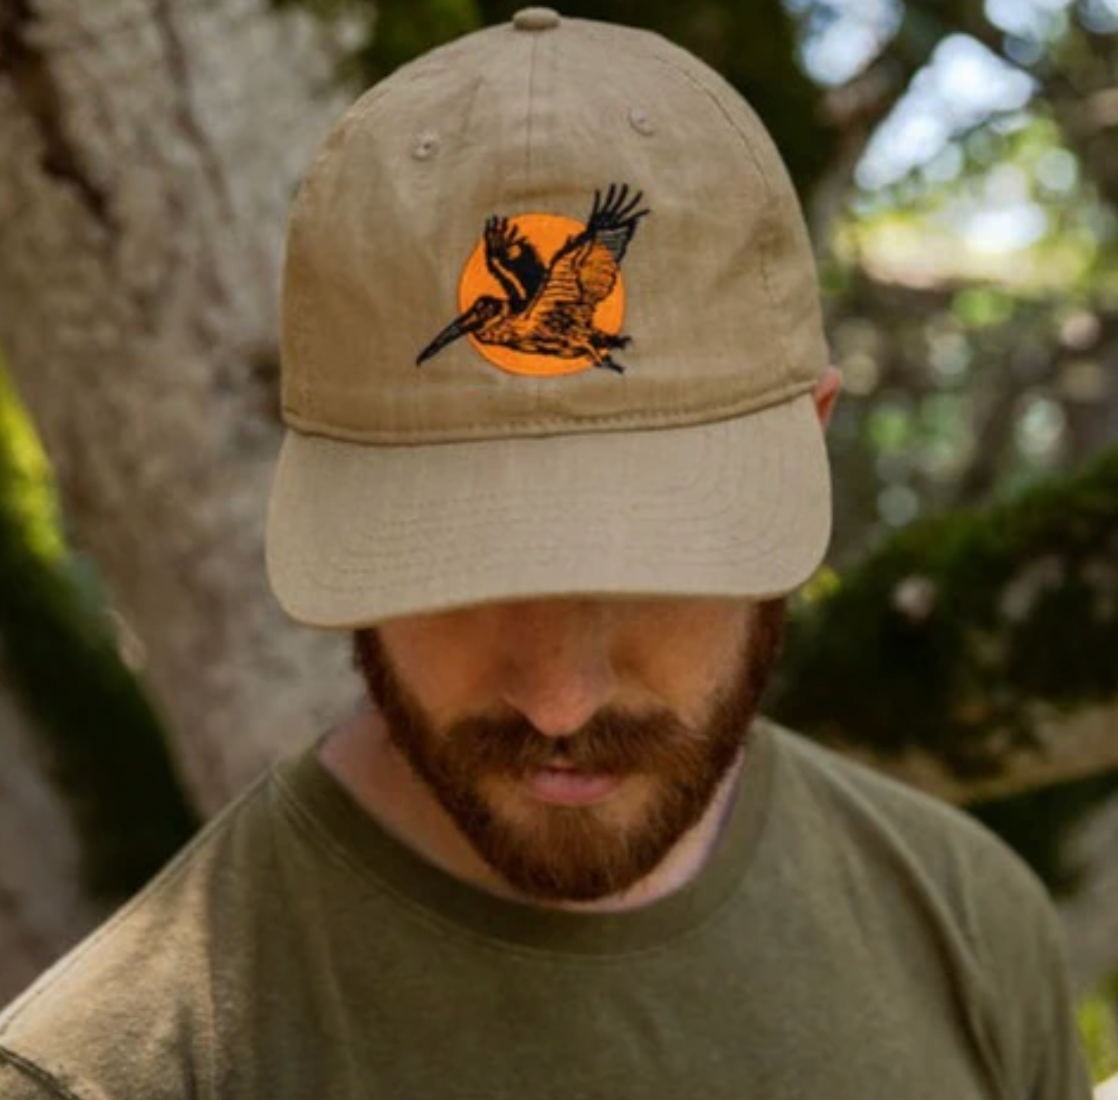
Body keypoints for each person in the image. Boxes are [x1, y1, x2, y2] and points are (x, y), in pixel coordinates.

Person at [0, 9, 1093, 1098]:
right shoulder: (108, 1073)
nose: (559, 699)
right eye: (458, 573)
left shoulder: (973, 929)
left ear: (805, 443)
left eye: (649, 563)